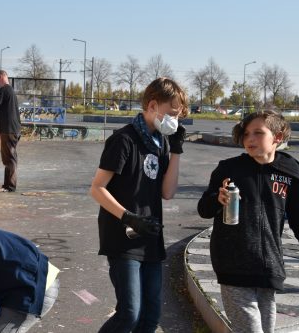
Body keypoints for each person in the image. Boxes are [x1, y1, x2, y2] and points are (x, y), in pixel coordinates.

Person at [90, 77, 188, 332]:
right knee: (129, 314)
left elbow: (167, 192)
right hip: (123, 237)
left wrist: (176, 151)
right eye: (172, 113)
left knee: (150, 316)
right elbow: (97, 188)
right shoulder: (124, 140)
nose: (175, 120)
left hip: (150, 240)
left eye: (178, 116)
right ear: (153, 106)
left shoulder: (161, 143)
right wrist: (129, 217)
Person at [197, 110, 299, 332]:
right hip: (233, 264)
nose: (250, 139)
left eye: (258, 133)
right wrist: (217, 199)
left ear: (278, 136)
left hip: (269, 268)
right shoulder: (229, 169)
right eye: (246, 134)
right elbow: (204, 209)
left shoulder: (291, 173)